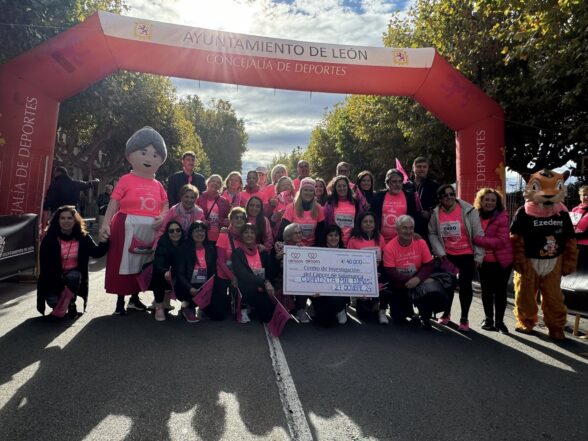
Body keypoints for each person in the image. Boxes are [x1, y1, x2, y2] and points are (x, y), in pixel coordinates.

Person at [100, 126, 169, 315]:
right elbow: (114, 202)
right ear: (131, 154)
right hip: (126, 227)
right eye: (144, 152)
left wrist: (162, 217)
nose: (148, 158)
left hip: (150, 230)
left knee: (143, 264)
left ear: (161, 159)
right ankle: (120, 301)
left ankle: (135, 298)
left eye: (155, 155)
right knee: (123, 263)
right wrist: (105, 224)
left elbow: (165, 204)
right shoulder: (125, 179)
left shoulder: (158, 185)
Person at [428, 184, 484, 331]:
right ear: (440, 199)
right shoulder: (436, 213)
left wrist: (479, 256)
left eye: (451, 194)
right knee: (449, 285)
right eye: (445, 195)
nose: (449, 197)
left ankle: (464, 317)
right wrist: (440, 253)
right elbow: (432, 233)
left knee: (465, 285)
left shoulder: (468, 210)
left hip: (467, 255)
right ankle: (447, 313)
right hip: (448, 255)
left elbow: (478, 234)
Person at [37, 206, 108, 317]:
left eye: (70, 218)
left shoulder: (82, 237)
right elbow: (46, 267)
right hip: (53, 278)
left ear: (75, 220)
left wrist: (104, 241)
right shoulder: (49, 239)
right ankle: (63, 301)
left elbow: (96, 253)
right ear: (58, 220)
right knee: (53, 302)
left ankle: (70, 303)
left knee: (74, 276)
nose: (66, 221)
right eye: (63, 218)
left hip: (73, 276)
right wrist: (60, 287)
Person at [383, 215, 447, 329]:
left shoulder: (421, 242)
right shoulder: (389, 247)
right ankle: (408, 309)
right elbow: (390, 272)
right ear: (397, 229)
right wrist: (410, 281)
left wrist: (417, 279)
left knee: (432, 288)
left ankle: (425, 315)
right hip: (400, 285)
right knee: (398, 318)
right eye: (404, 228)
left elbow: (429, 265)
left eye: (411, 228)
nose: (408, 231)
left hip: (419, 281)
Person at [277, 177, 325, 322]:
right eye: (306, 190)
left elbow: (321, 234)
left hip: (310, 250)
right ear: (301, 191)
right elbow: (282, 232)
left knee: (307, 280)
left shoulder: (319, 209)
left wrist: (315, 252)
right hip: (293, 250)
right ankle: (292, 306)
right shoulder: (291, 207)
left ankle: (302, 308)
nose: (308, 193)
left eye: (311, 190)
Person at [472, 188, 513, 333]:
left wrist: (478, 240)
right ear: (481, 201)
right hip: (483, 261)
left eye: (493, 200)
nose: (489, 203)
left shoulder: (502, 217)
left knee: (500, 292)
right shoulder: (474, 215)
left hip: (501, 261)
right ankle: (488, 318)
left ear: (497, 203)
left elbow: (501, 241)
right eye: (486, 200)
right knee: (486, 291)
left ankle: (500, 322)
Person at [232, 223, 277, 324]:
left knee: (268, 316)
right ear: (241, 236)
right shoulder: (237, 253)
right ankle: (244, 306)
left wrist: (267, 283)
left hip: (262, 288)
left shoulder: (262, 251)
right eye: (246, 232)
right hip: (246, 288)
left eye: (252, 233)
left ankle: (254, 307)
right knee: (247, 286)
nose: (249, 235)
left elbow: (269, 271)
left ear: (256, 235)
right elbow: (243, 274)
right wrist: (264, 282)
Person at [347, 211, 387, 323]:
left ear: (375, 224)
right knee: (365, 317)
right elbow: (349, 263)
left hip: (378, 274)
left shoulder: (380, 238)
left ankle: (381, 309)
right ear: (360, 224)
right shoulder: (353, 240)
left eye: (371, 221)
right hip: (361, 277)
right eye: (365, 222)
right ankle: (359, 300)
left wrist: (378, 274)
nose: (368, 224)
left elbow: (384, 259)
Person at [174, 221, 217, 323]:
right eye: (196, 231)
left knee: (216, 315)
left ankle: (202, 306)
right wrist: (190, 288)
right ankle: (188, 307)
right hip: (187, 287)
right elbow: (179, 273)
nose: (199, 233)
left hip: (205, 287)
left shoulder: (210, 248)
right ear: (191, 233)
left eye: (202, 231)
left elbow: (213, 271)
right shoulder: (183, 249)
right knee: (191, 295)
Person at [213, 207, 247, 320]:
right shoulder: (223, 235)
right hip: (223, 274)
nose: (239, 220)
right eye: (236, 217)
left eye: (242, 218)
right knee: (218, 315)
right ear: (231, 219)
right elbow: (220, 262)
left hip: (238, 274)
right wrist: (232, 277)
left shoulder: (245, 237)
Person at [311, 225, 348, 326]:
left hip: (339, 291)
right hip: (321, 291)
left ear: (340, 237)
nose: (333, 238)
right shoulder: (317, 251)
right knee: (325, 322)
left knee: (335, 301)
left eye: (336, 235)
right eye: (330, 235)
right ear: (325, 237)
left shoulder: (347, 252)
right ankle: (316, 307)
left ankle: (341, 309)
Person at [373, 169, 423, 243]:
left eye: (400, 181)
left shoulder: (409, 197)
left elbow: (414, 217)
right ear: (387, 183)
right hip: (381, 241)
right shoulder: (379, 196)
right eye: (394, 181)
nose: (398, 184)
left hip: (402, 240)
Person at [150, 220, 185, 321]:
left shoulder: (185, 244)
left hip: (179, 276)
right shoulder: (163, 243)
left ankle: (187, 305)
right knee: (157, 276)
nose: (175, 233)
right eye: (171, 231)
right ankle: (159, 306)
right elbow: (158, 263)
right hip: (165, 275)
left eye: (178, 230)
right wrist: (164, 272)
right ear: (167, 233)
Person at [324, 175, 362, 246]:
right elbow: (326, 224)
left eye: (344, 186)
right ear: (335, 188)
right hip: (334, 243)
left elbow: (360, 221)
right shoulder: (329, 203)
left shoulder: (356, 202)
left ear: (348, 187)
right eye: (339, 186)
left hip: (352, 242)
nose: (342, 188)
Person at [196, 174, 231, 244]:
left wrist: (227, 222)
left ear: (220, 186)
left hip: (219, 236)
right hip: (202, 234)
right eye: (213, 181)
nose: (215, 183)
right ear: (208, 183)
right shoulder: (199, 198)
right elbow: (194, 214)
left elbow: (229, 219)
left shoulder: (225, 202)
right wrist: (201, 220)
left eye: (218, 182)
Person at [409, 157, 439, 222]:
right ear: (413, 168)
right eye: (419, 166)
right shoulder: (406, 186)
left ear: (427, 169)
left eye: (424, 167)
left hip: (427, 225)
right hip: (409, 224)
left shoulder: (435, 186)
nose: (422, 169)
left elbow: (440, 205)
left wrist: (430, 213)